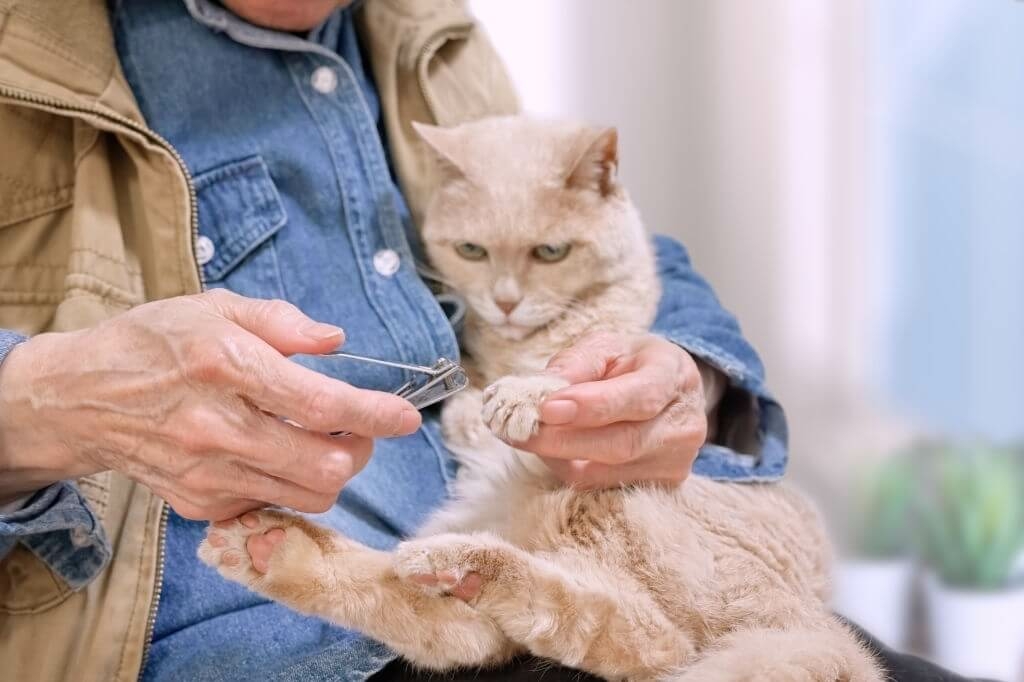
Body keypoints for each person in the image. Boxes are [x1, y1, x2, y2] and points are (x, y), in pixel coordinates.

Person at [0, 1, 973, 681]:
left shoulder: (426, 30)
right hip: (280, 640)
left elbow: (626, 242)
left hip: (554, 576)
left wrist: (690, 372)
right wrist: (38, 398)